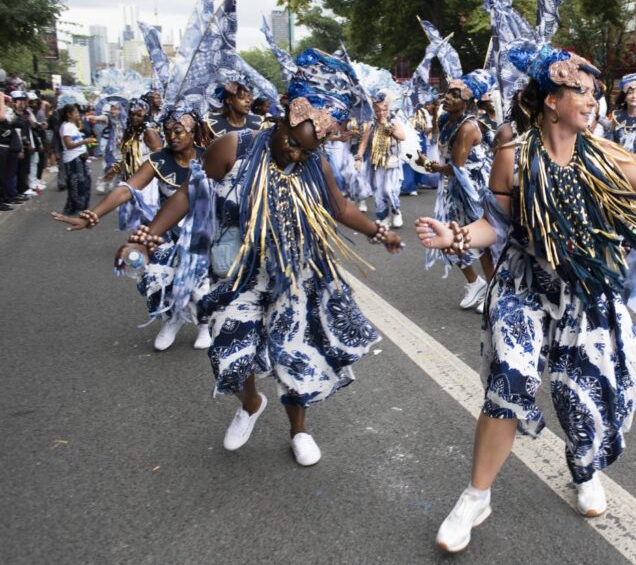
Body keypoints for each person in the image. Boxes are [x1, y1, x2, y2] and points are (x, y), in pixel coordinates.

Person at [416, 42, 636, 553]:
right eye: (579, 90)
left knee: (579, 395)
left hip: (586, 293)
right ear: (550, 100)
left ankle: (584, 470)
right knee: (509, 379)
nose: (591, 100)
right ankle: (476, 495)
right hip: (524, 284)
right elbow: (495, 224)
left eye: (595, 92)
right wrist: (456, 238)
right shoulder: (512, 153)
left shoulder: (604, 156)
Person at [116, 95, 402, 466]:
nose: (296, 154)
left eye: (306, 150)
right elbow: (191, 192)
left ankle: (299, 431)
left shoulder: (316, 162)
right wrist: (146, 236)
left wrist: (379, 232)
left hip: (294, 274)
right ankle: (251, 403)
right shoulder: (235, 146)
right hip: (238, 273)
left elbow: (341, 208)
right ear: (282, 121)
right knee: (229, 356)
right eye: (293, 143)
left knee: (294, 356)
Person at [52, 103, 214, 350]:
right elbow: (126, 189)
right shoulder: (158, 160)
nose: (172, 136)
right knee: (158, 278)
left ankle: (203, 324)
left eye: (179, 131)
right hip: (164, 233)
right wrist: (90, 216)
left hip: (203, 233)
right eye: (167, 131)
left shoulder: (209, 158)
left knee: (200, 285)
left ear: (193, 131)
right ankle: (172, 320)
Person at [424, 70, 495, 311]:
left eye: (455, 95)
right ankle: (475, 283)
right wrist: (428, 163)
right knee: (448, 236)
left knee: (483, 242)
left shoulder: (468, 127)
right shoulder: (445, 120)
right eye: (448, 93)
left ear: (467, 101)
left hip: (473, 190)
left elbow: (456, 167)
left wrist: (431, 166)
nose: (448, 98)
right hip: (453, 187)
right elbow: (444, 155)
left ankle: (494, 292)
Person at [355, 91, 407, 228]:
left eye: (384, 109)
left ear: (388, 108)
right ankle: (383, 217)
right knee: (378, 192)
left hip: (392, 162)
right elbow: (364, 142)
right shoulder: (371, 124)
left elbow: (403, 136)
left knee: (389, 190)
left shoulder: (394, 120)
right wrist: (359, 157)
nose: (381, 112)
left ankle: (396, 211)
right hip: (376, 163)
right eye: (377, 109)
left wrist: (392, 130)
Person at [58, 100, 96, 216]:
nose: (78, 115)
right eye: (75, 113)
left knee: (84, 182)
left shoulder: (72, 126)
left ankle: (79, 207)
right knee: (77, 184)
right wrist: (84, 141)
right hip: (73, 159)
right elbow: (69, 145)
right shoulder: (66, 127)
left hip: (79, 157)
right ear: (69, 114)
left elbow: (76, 140)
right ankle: (76, 208)